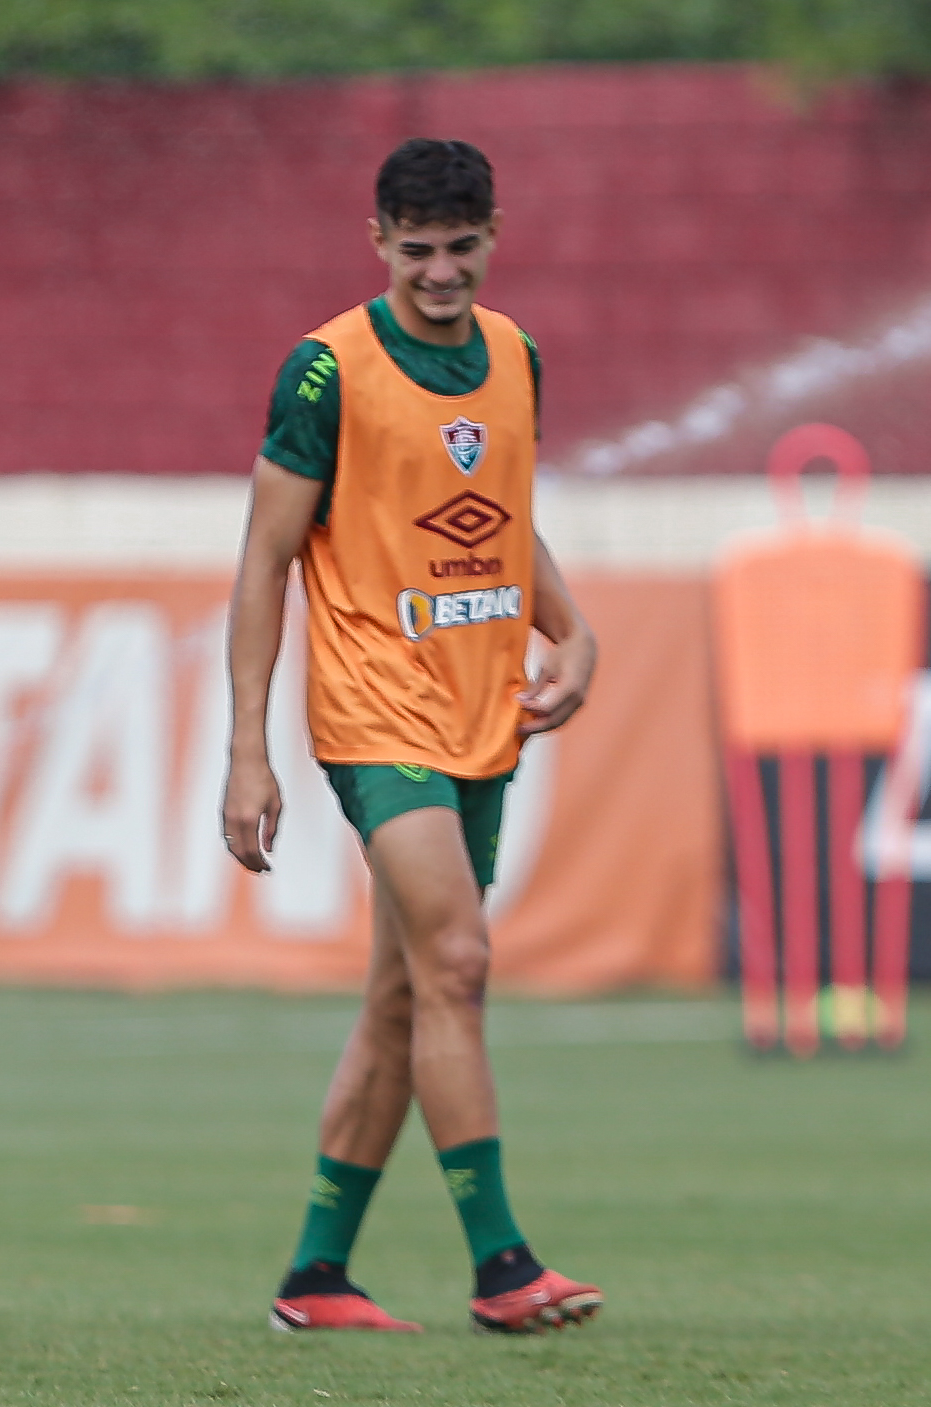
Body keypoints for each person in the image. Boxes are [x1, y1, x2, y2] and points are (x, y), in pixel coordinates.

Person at [220, 139, 604, 1335]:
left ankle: (315, 1276)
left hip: (484, 713)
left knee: (402, 997)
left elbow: (498, 524)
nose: (442, 271)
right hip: (377, 715)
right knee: (461, 962)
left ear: (495, 234)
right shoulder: (327, 372)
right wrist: (248, 749)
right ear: (379, 242)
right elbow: (266, 558)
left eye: (462, 247)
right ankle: (502, 1264)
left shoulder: (516, 357)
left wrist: (574, 632)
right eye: (419, 250)